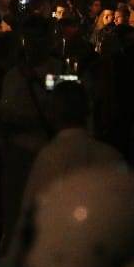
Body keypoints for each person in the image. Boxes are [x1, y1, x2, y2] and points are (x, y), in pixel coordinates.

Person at [19, 81, 123, 222]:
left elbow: (29, 215)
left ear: (53, 113)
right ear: (88, 110)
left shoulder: (50, 157)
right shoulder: (112, 156)